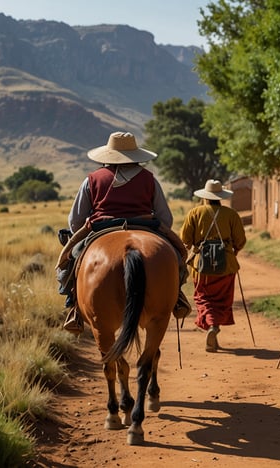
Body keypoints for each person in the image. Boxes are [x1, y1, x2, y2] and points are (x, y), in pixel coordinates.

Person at [56, 131, 191, 334]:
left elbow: (74, 220)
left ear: (107, 156)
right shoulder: (150, 179)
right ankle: (177, 298)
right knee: (178, 256)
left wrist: (80, 234)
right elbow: (166, 219)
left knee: (69, 261)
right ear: (136, 155)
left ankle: (73, 305)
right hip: (146, 226)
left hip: (101, 227)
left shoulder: (92, 179)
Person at [180, 179, 247, 352]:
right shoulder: (231, 214)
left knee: (203, 297)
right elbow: (240, 241)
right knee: (222, 299)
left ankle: (211, 325)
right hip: (226, 265)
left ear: (205, 197)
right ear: (220, 198)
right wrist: (232, 251)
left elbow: (185, 239)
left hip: (201, 266)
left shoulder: (195, 213)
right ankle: (214, 327)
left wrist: (197, 247)